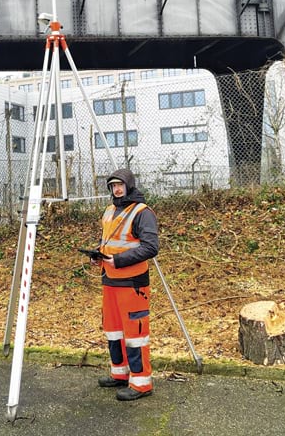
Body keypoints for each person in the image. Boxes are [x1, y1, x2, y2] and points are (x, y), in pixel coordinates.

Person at [92, 168, 158, 401]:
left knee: (135, 334)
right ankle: (120, 373)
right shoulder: (109, 211)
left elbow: (151, 247)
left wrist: (118, 260)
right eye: (113, 186)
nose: (117, 189)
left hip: (132, 284)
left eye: (120, 184)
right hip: (109, 281)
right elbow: (107, 242)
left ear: (129, 185)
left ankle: (141, 383)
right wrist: (98, 255)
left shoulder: (142, 212)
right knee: (113, 330)